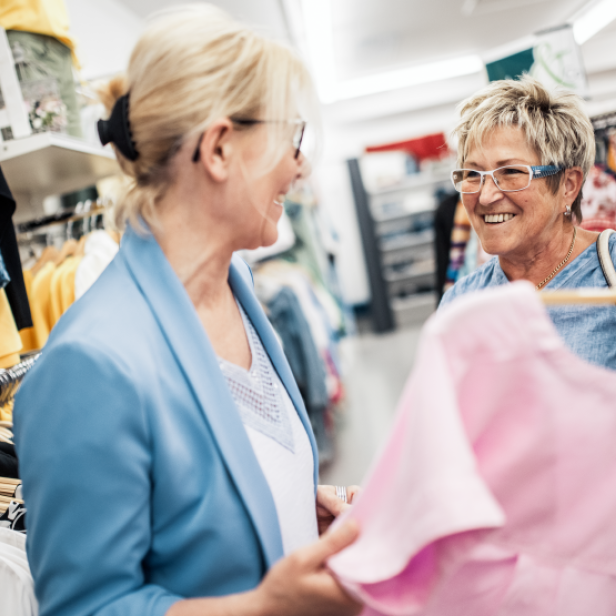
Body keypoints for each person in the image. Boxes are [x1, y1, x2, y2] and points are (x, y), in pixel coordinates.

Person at [13, 6, 362, 616]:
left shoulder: (239, 287)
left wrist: (288, 504)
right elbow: (85, 607)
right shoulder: (89, 364)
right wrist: (263, 606)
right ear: (221, 148)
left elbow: (212, 485)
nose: (299, 164)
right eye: (291, 135)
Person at [440, 76, 616, 370]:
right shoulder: (461, 303)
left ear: (568, 186)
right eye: (472, 174)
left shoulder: (608, 269)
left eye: (510, 171)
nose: (485, 195)